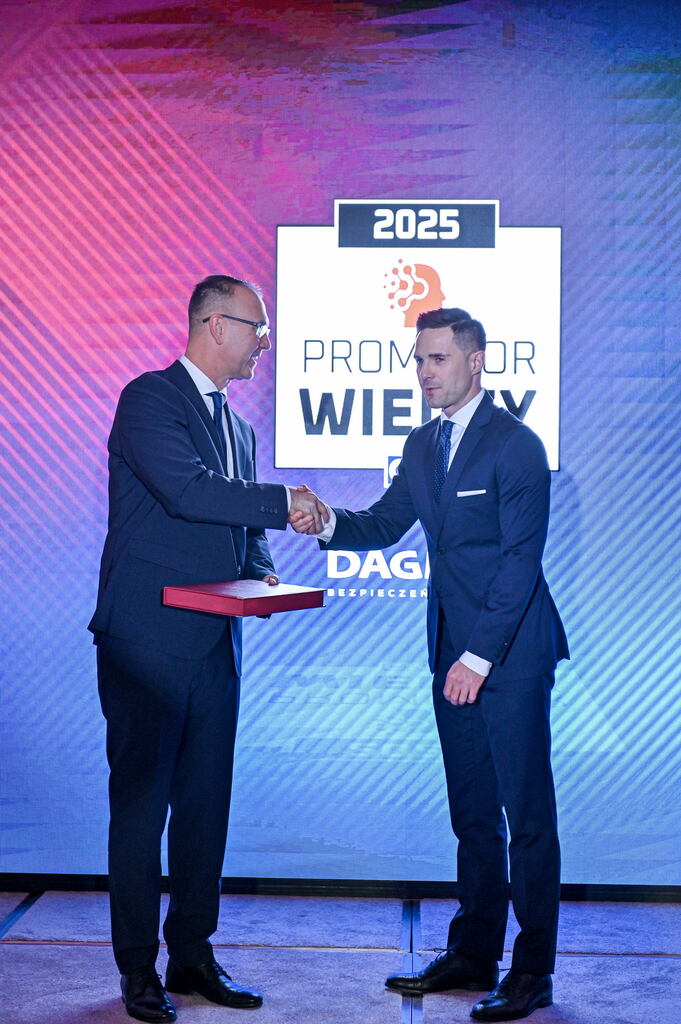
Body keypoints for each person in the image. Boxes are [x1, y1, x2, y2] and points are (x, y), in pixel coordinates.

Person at [291, 307, 569, 1023]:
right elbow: (384, 525)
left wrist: (478, 657)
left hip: (508, 654)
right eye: (418, 360)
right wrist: (326, 520)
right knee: (472, 812)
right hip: (451, 654)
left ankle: (532, 970)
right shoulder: (421, 445)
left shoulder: (516, 445)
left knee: (526, 815)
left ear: (475, 362)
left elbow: (519, 564)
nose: (424, 372)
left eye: (438, 359)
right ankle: (474, 952)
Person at [89, 275, 327, 1023]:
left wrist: (261, 570)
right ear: (215, 325)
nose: (266, 343)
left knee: (203, 808)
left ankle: (191, 954)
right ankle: (137, 969)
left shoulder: (240, 428)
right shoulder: (149, 399)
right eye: (259, 328)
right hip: (146, 643)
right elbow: (189, 492)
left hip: (215, 643)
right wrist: (283, 501)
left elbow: (243, 530)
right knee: (141, 810)